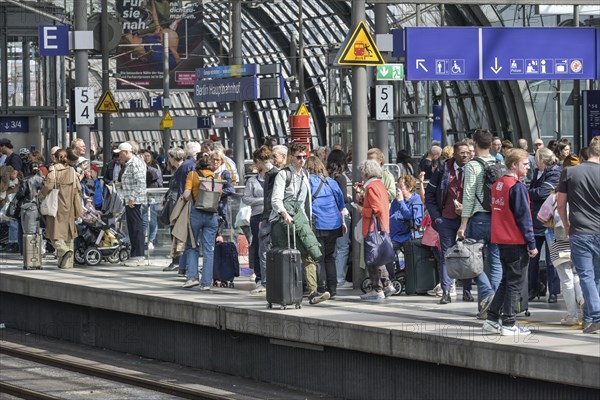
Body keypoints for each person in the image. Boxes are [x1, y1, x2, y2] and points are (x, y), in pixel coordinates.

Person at [482, 148, 538, 336]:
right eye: (525, 164)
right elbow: (524, 217)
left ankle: (491, 319)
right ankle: (509, 323)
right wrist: (531, 244)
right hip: (515, 240)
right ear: (514, 165)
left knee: (506, 281)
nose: (528, 167)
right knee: (515, 282)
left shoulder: (499, 184)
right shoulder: (517, 187)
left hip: (501, 239)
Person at [270, 142, 328, 305]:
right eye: (298, 157)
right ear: (291, 157)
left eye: (305, 157)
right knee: (287, 257)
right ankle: (285, 292)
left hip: (301, 220)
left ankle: (313, 291)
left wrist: (308, 219)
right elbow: (276, 199)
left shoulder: (305, 175)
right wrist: (284, 214)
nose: (302, 160)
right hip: (284, 221)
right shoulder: (283, 175)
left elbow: (306, 202)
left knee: (308, 253)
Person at [457, 129, 503, 319]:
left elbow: (468, 197)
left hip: (478, 218)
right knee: (495, 262)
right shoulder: (498, 163)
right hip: (497, 218)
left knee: (471, 260)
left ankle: (488, 295)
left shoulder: (472, 167)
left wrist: (463, 224)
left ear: (474, 144)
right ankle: (492, 308)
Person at [557, 140, 600, 334]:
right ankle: (590, 318)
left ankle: (596, 316)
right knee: (596, 277)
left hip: (580, 231)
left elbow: (560, 204)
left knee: (586, 276)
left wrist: (566, 224)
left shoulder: (570, 172)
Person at [425, 142, 472, 304]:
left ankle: (467, 290)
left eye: (467, 152)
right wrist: (436, 217)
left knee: (467, 254)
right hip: (446, 219)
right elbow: (430, 194)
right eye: (462, 153)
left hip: (467, 219)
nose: (465, 155)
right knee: (447, 255)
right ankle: (446, 291)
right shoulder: (443, 170)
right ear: (454, 155)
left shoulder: (473, 169)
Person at [549, 157, 584, 326]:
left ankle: (572, 315)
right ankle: (583, 300)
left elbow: (542, 216)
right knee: (578, 276)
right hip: (579, 240)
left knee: (567, 280)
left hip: (561, 243)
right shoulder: (583, 196)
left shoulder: (555, 197)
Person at [306, 156, 346, 299]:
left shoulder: (307, 181)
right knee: (330, 257)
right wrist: (343, 222)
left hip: (318, 224)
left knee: (319, 257)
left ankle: (322, 288)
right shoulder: (331, 182)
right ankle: (333, 288)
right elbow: (341, 203)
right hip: (334, 224)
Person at [251, 144, 288, 295]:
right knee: (266, 249)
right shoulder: (273, 174)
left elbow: (272, 199)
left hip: (273, 217)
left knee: (265, 250)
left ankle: (267, 281)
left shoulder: (276, 174)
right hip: (272, 217)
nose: (271, 159)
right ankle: (269, 281)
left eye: (275, 156)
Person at [354, 159, 392, 302]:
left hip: (372, 228)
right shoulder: (379, 185)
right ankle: (386, 285)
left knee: (371, 258)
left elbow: (376, 209)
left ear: (365, 173)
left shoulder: (371, 187)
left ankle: (377, 289)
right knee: (377, 258)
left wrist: (361, 210)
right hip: (380, 227)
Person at [38, 149, 83, 269]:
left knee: (53, 233)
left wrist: (40, 196)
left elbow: (49, 185)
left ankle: (64, 251)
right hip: (70, 206)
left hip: (56, 205)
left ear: (57, 158)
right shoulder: (72, 170)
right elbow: (78, 187)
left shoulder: (54, 169)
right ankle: (67, 264)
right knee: (68, 235)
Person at [527, 148, 562, 303]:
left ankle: (553, 292)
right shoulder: (538, 172)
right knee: (532, 258)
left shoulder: (555, 173)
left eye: (537, 160)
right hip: (536, 220)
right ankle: (532, 288)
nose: (535, 162)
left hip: (548, 222)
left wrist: (529, 191)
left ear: (543, 160)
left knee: (551, 259)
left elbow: (542, 193)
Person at [181, 154, 220, 290]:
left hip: (196, 214)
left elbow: (186, 195)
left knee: (192, 245)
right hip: (212, 215)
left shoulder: (193, 175)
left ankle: (192, 277)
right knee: (209, 249)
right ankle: (206, 283)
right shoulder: (216, 177)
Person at [114, 142, 147, 267]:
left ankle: (139, 255)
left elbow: (141, 182)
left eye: (120, 154)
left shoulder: (136, 163)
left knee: (137, 228)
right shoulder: (129, 164)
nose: (119, 157)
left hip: (135, 202)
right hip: (130, 200)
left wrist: (132, 198)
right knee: (132, 228)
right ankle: (135, 255)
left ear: (126, 152)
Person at [243, 147, 269, 287]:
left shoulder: (275, 177)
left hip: (271, 216)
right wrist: (264, 200)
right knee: (258, 246)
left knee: (269, 246)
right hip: (257, 216)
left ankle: (270, 275)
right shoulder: (252, 181)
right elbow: (246, 199)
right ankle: (259, 277)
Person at [327, 149, 352, 289]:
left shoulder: (325, 176)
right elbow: (342, 198)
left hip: (327, 216)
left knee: (331, 249)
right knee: (342, 247)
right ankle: (340, 279)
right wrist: (350, 197)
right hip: (340, 215)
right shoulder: (340, 178)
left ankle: (331, 279)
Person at [140, 149, 163, 251]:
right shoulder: (139, 166)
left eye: (148, 156)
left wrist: (146, 167)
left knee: (153, 219)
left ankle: (151, 240)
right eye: (144, 156)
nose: (146, 158)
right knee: (144, 219)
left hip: (154, 195)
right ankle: (143, 239)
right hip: (144, 195)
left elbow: (156, 176)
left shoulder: (155, 166)